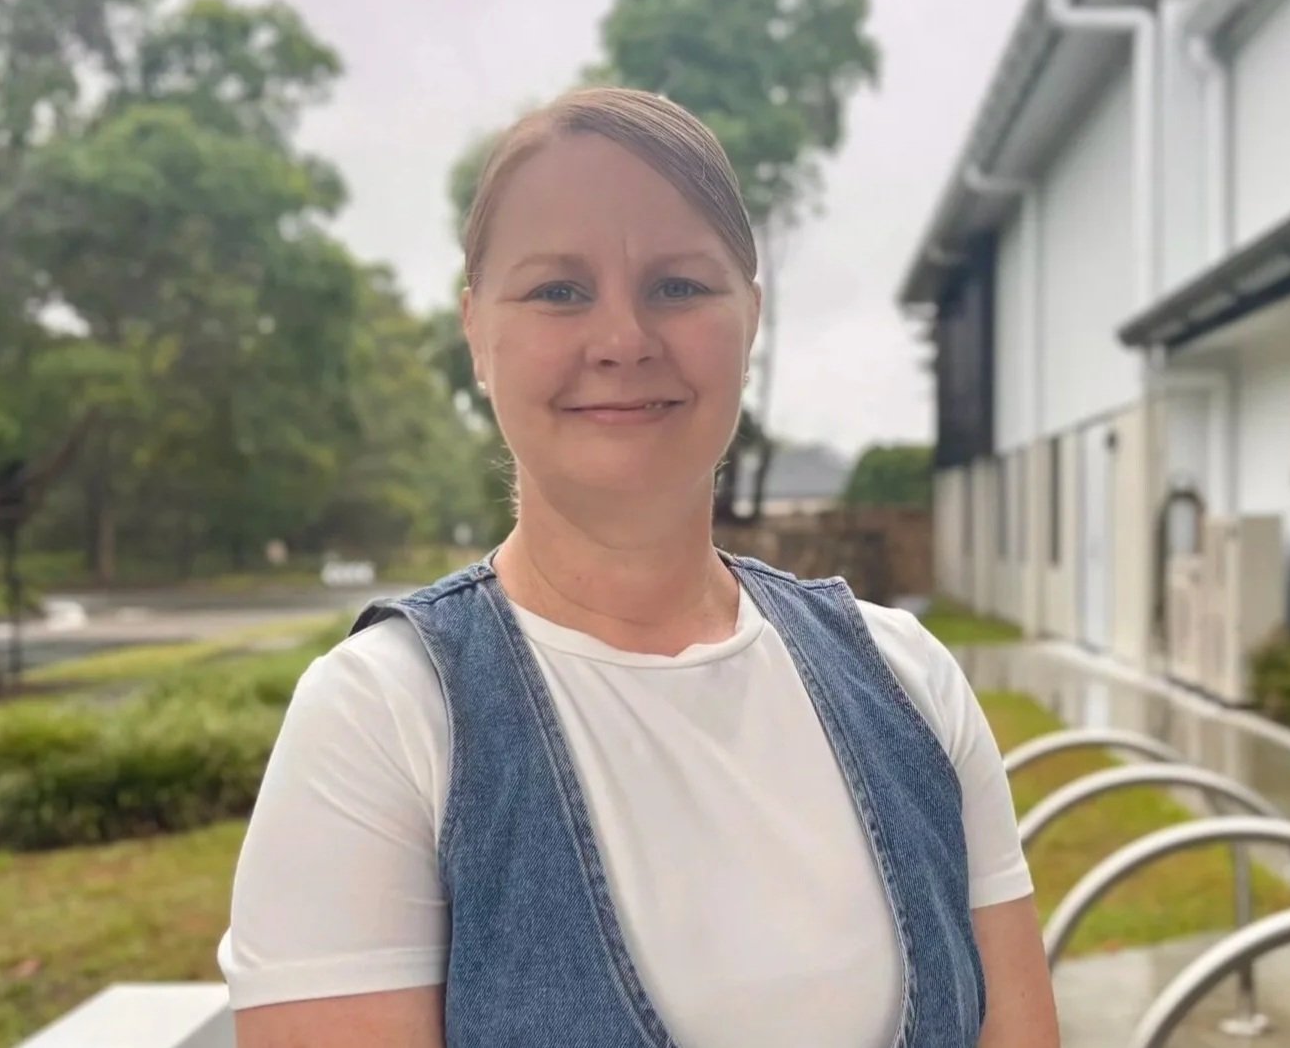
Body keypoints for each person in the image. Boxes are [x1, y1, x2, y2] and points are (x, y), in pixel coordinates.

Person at [220, 86, 1060, 1047]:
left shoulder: (910, 682)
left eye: (677, 285)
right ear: (476, 333)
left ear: (750, 316)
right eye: (558, 291)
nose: (622, 341)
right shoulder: (384, 722)